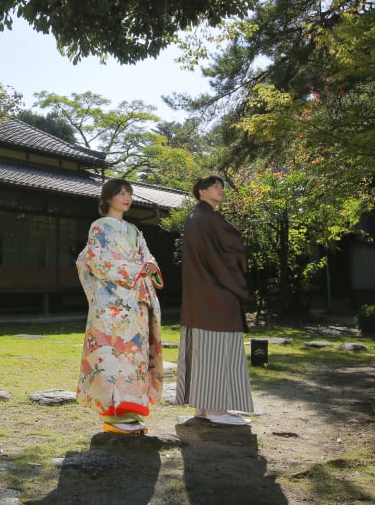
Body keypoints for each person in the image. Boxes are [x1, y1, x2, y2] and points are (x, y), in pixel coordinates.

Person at [76, 178, 165, 436]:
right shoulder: (99, 227)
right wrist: (138, 269)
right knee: (112, 356)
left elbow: (146, 255)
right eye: (121, 193)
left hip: (135, 301)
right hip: (111, 305)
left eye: (130, 193)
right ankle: (112, 415)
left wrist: (149, 265)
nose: (127, 198)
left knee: (133, 358)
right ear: (108, 198)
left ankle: (130, 410)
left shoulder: (135, 231)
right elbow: (98, 258)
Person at [174, 175, 255, 426]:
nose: (221, 190)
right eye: (215, 186)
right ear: (201, 192)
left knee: (203, 350)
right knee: (217, 349)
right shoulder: (206, 218)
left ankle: (203, 408)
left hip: (202, 295)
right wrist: (236, 282)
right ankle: (217, 410)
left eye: (222, 186)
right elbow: (225, 254)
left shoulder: (196, 218)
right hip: (215, 294)